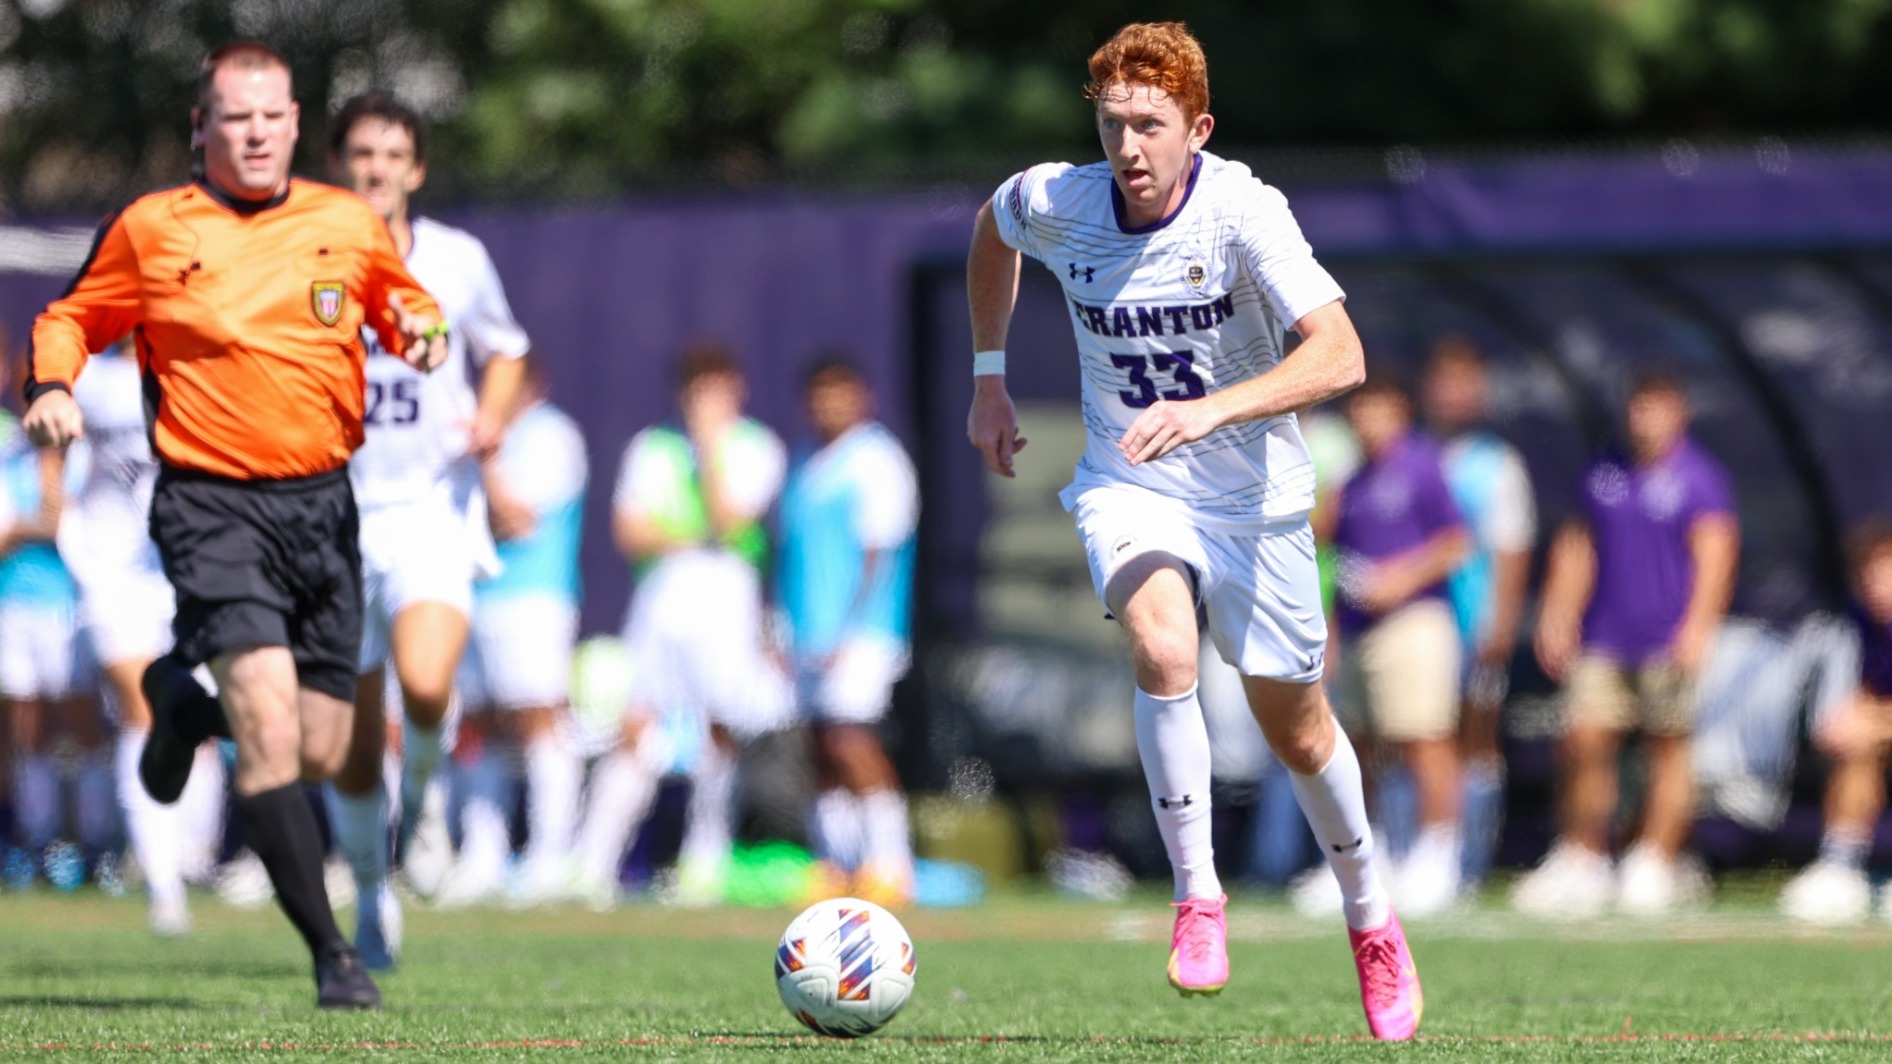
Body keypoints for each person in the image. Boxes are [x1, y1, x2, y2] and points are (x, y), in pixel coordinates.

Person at [964, 21, 1420, 1040]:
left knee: (1295, 728)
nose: (1127, 146)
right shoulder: (1059, 198)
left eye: (1149, 125)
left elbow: (1340, 355)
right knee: (1162, 641)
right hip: (1130, 481)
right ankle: (1196, 896)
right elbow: (991, 229)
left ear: (1195, 127)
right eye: (1112, 122)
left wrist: (1217, 407)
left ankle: (1370, 917)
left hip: (1255, 501)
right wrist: (988, 379)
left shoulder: (1242, 210)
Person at [25, 41, 447, 1009]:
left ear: (295, 124)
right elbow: (71, 316)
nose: (254, 133)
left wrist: (423, 334)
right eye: (234, 117)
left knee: (316, 743)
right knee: (262, 720)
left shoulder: (344, 220)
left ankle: (180, 698)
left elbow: (402, 306)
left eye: (271, 116)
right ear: (201, 129)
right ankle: (333, 954)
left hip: (324, 506)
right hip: (211, 502)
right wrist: (51, 385)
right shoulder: (154, 227)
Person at [322, 91, 529, 955]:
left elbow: (507, 349)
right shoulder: (308, 254)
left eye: (392, 154)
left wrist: (491, 419)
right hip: (330, 517)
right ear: (342, 163)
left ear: (416, 168)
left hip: (432, 508)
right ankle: (372, 893)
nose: (377, 167)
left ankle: (433, 794)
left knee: (431, 681)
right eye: (362, 152)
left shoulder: (456, 258)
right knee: (352, 738)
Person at [1515, 370, 1739, 917]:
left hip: (1667, 638)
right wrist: (1557, 613)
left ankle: (1655, 861)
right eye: (1638, 408)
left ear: (1678, 413)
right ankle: (1583, 856)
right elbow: (1578, 545)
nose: (1646, 420)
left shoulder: (1699, 477)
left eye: (1657, 408)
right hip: (1604, 638)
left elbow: (1716, 553)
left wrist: (1697, 628)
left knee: (1667, 748)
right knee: (1584, 740)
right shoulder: (1604, 471)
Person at [574, 344, 786, 909]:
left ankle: (703, 860)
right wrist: (688, 540)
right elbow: (629, 532)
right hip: (661, 600)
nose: (702, 398)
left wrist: (710, 448)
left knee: (721, 727)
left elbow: (729, 516)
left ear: (735, 388)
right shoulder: (650, 446)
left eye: (713, 385)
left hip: (725, 601)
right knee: (636, 724)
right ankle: (593, 867)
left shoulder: (757, 447)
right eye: (694, 386)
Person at [60, 340, 227, 933]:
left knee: (197, 721)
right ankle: (162, 884)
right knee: (142, 711)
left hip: (184, 573)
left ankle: (193, 857)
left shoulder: (205, 372)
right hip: (113, 571)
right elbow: (47, 428)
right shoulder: (94, 379)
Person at [777, 357, 919, 907]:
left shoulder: (878, 461)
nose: (828, 406)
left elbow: (878, 555)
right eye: (819, 395)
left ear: (863, 398)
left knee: (852, 739)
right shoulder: (805, 461)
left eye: (839, 394)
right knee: (819, 749)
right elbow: (792, 556)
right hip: (805, 637)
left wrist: (847, 631)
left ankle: (890, 863)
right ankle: (836, 863)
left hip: (862, 635)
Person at [1329, 377, 1470, 915]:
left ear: (1401, 412)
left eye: (1379, 408)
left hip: (1414, 622)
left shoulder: (1423, 467)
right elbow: (1335, 559)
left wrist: (1399, 580)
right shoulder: (1353, 480)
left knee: (1424, 738)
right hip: (1360, 630)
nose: (1368, 419)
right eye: (1360, 409)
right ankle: (1370, 856)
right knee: (1360, 747)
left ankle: (1441, 856)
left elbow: (1456, 543)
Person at [451, 358, 587, 906]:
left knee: (539, 719)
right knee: (478, 725)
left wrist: (481, 467)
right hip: (474, 597)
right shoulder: (478, 432)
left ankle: (550, 858)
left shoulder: (552, 436)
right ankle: (483, 856)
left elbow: (515, 518)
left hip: (533, 599)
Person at [1419, 337, 1535, 890]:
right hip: (1414, 628)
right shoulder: (1408, 454)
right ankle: (1416, 852)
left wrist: (1500, 623)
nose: (1454, 394)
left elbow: (1513, 551)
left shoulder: (1498, 464)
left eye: (1466, 382)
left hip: (1472, 625)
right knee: (1411, 737)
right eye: (1445, 381)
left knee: (1474, 739)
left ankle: (1469, 861)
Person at [0, 433, 112, 894]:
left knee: (82, 731)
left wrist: (49, 521)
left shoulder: (90, 456)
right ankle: (36, 841)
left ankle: (94, 846)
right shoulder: (10, 457)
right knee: (28, 733)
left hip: (74, 607)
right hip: (15, 606)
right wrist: (30, 528)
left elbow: (85, 525)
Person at [1779, 521, 1892, 923]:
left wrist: (1872, 719)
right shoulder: (1863, 625)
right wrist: (1853, 715)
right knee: (1855, 749)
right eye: (1869, 575)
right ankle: (1840, 866)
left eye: (1887, 572)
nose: (1878, 586)